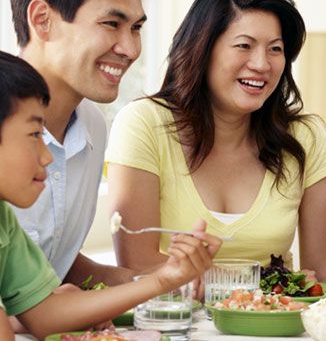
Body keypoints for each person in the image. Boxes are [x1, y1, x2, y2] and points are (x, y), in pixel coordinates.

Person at [105, 0, 326, 286]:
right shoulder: (144, 124)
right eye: (244, 45)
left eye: (275, 49)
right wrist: (268, 284)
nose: (261, 64)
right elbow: (138, 266)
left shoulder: (304, 137)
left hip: (270, 331)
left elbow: (322, 273)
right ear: (202, 50)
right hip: (172, 325)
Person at [0, 51, 221, 340]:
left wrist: (165, 279)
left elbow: (44, 312)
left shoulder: (5, 220)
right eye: (33, 135)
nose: (46, 157)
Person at [9, 0, 159, 287]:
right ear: (42, 19)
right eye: (112, 24)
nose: (129, 48)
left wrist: (136, 281)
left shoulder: (92, 126)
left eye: (136, 28)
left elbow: (42, 256)